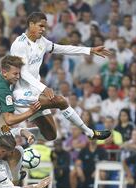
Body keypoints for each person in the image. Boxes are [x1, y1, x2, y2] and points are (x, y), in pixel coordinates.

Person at [10, 12, 112, 142]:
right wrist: (43, 88)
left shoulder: (42, 41)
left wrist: (89, 50)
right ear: (31, 24)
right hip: (21, 93)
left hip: (35, 92)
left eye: (45, 26)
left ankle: (15, 132)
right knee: (61, 101)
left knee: (51, 135)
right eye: (40, 26)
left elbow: (63, 49)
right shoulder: (19, 44)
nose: (43, 29)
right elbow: (22, 72)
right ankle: (90, 133)